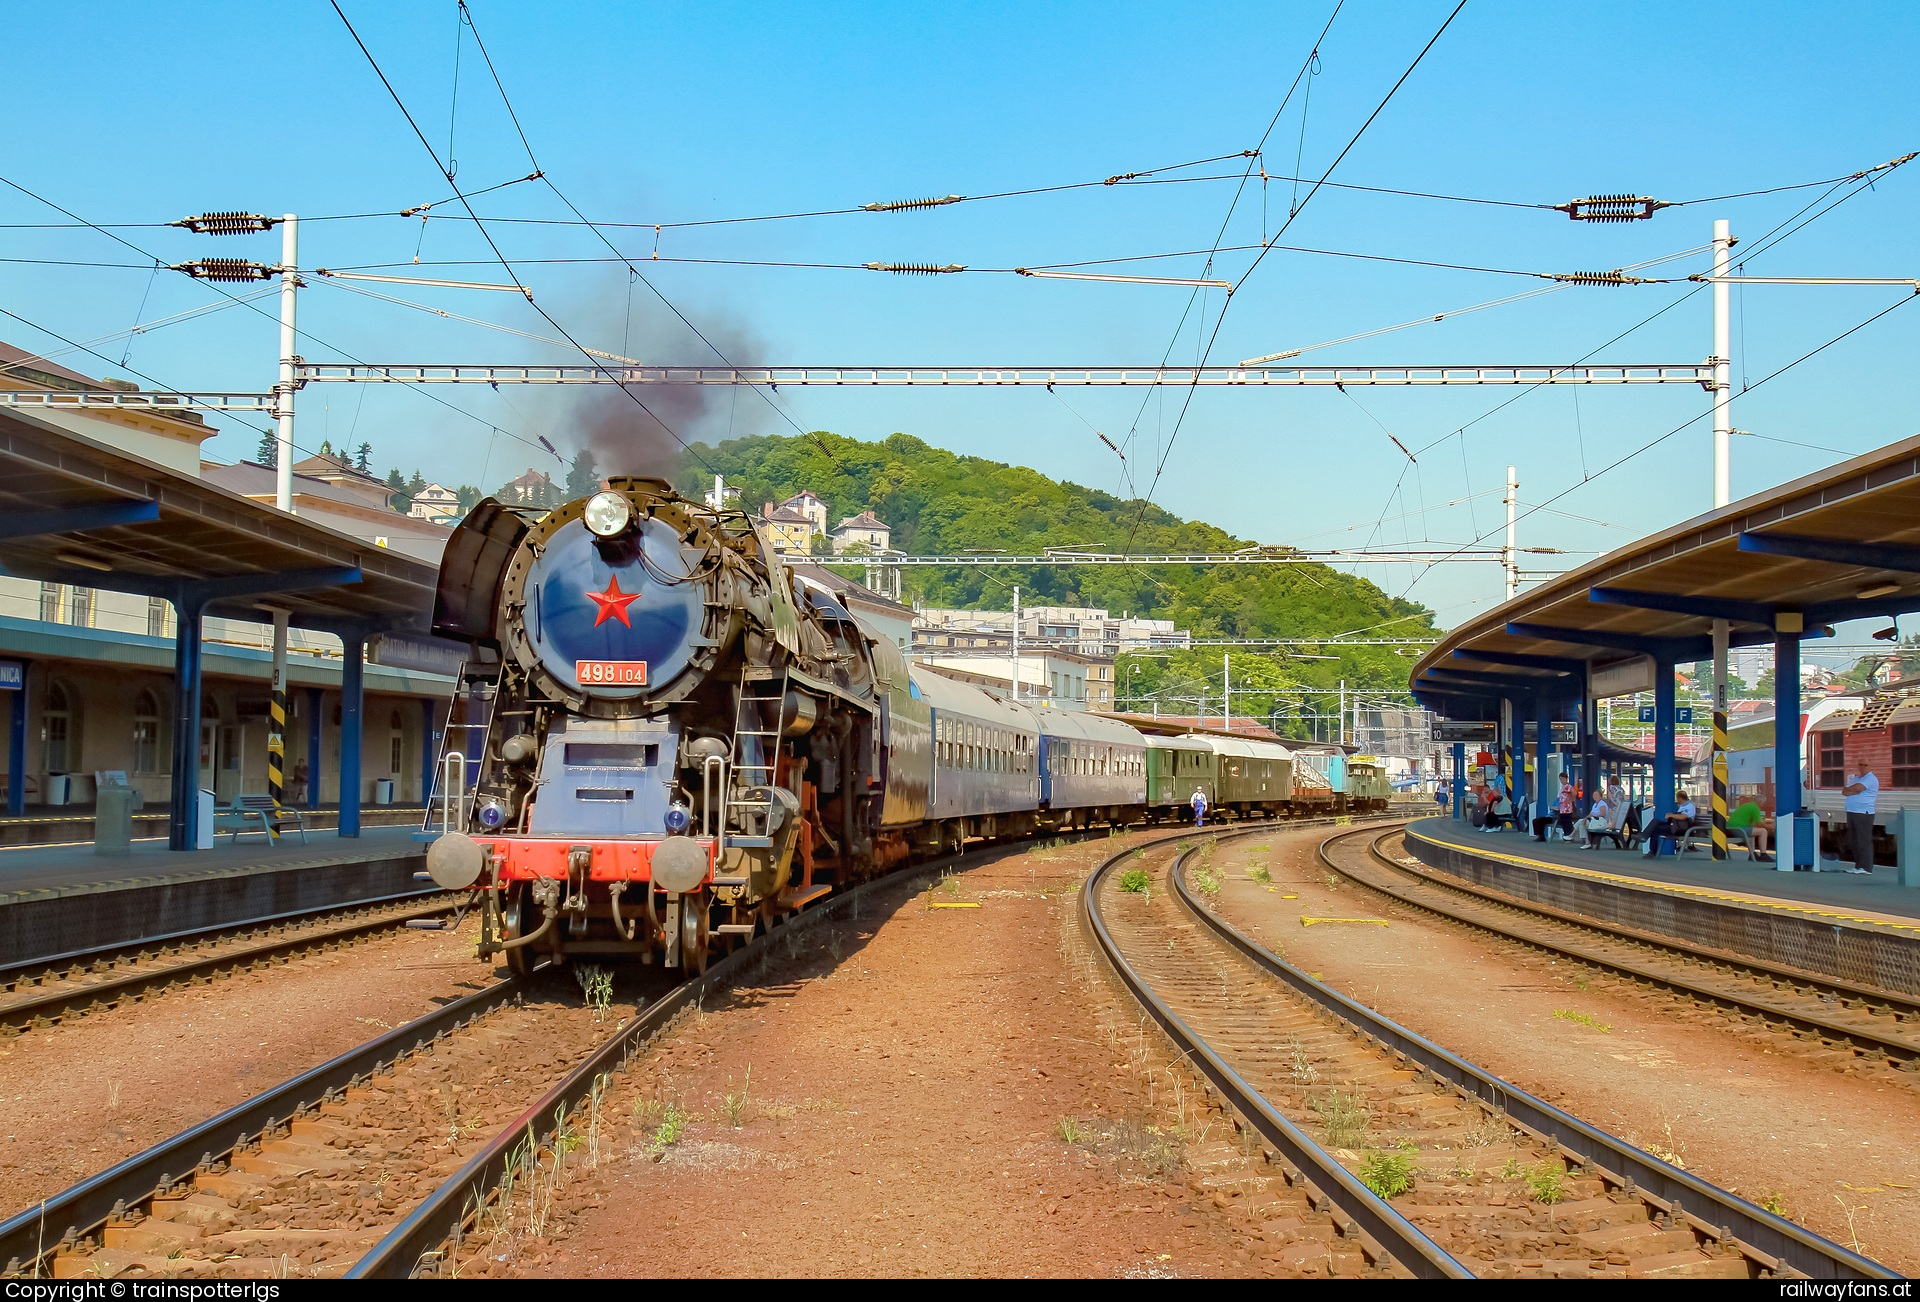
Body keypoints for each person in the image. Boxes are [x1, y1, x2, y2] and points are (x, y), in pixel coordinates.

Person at [1842, 756, 1878, 875]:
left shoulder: (1871, 779)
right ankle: (1858, 866)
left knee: (1864, 840)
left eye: (1865, 765)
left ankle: (1866, 867)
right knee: (1854, 840)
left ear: (1870, 766)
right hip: (1852, 811)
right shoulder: (1856, 778)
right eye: (1861, 765)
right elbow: (1844, 791)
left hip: (1864, 813)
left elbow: (1857, 788)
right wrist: (1851, 790)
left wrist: (1852, 790)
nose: (1862, 767)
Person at [1641, 789, 1698, 858]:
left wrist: (1671, 815)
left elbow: (1683, 817)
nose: (1677, 800)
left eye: (1677, 798)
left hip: (1682, 829)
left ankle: (1652, 850)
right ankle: (1644, 836)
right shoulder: (1682, 806)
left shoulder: (1690, 806)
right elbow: (1679, 815)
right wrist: (1671, 815)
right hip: (1676, 826)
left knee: (1655, 830)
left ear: (1680, 798)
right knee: (1655, 821)